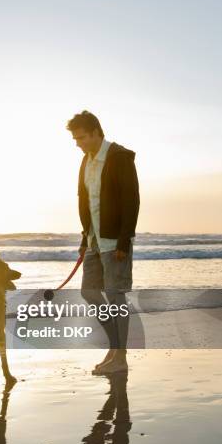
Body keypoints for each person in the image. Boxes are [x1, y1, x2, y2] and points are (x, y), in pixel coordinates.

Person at [67, 110, 139, 374]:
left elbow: (132, 201)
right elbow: (86, 203)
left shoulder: (119, 157)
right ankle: (115, 347)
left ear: (97, 132)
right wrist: (84, 238)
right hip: (94, 241)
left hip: (115, 242)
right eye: (75, 139)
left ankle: (120, 358)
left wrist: (123, 242)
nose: (78, 143)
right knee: (89, 292)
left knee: (116, 296)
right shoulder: (85, 162)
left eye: (82, 138)